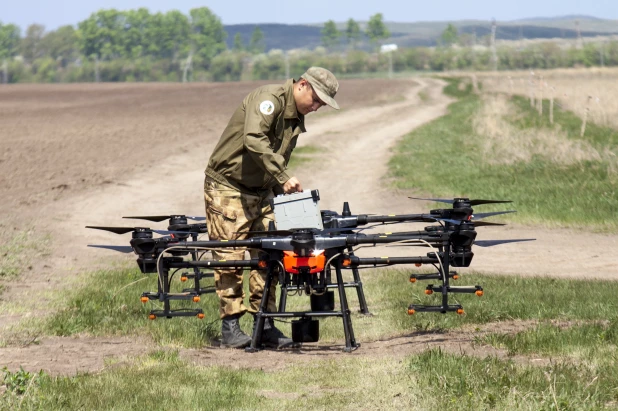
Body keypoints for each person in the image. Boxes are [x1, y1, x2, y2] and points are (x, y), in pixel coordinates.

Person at [203, 67, 340, 348]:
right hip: (229, 188)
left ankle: (264, 323)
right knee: (230, 259)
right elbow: (253, 139)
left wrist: (287, 196)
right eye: (316, 100)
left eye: (322, 105)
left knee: (272, 255)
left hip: (262, 191)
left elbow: (278, 159)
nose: (316, 108)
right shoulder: (269, 100)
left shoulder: (295, 118)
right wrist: (283, 177)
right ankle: (231, 329)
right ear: (302, 85)